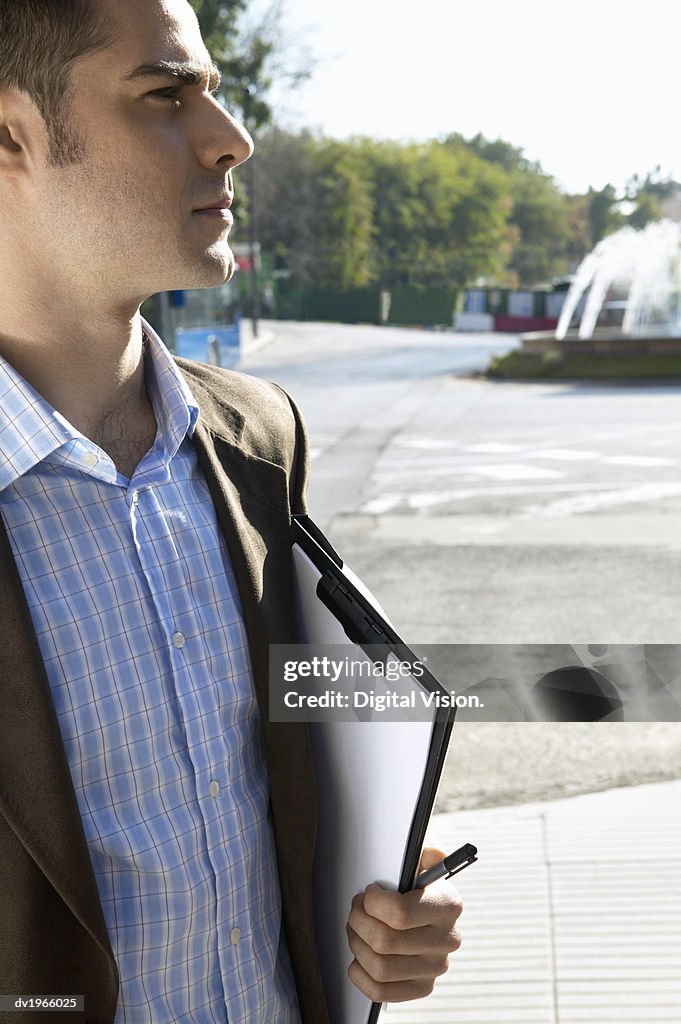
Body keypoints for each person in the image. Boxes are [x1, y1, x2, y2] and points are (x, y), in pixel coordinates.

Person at [0, 1, 463, 1021]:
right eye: (166, 95)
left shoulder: (260, 434)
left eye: (209, 88)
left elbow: (290, 770)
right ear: (9, 136)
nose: (231, 137)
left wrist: (372, 902)